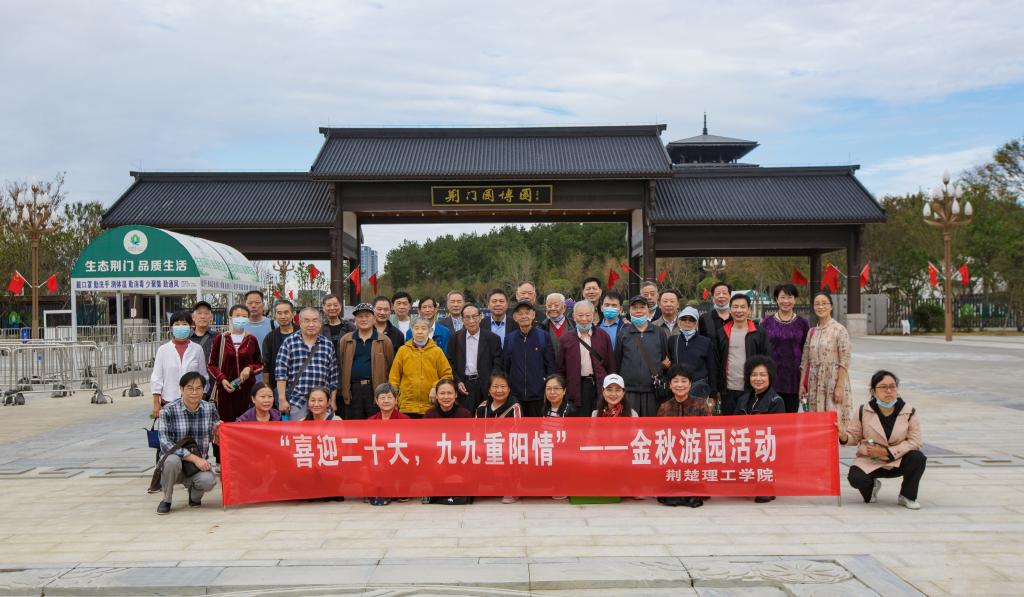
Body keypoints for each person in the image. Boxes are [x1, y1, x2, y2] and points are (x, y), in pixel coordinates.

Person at [839, 370, 925, 510]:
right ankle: (872, 486)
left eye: (892, 386)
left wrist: (887, 452)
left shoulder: (909, 411)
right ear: (873, 391)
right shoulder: (863, 410)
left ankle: (907, 495)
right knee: (855, 478)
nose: (889, 391)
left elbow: (915, 441)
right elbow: (854, 436)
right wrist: (843, 436)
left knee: (918, 458)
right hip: (871, 459)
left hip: (897, 460)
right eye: (883, 387)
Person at [155, 371, 220, 515]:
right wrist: (193, 458)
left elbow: (217, 433)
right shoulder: (167, 411)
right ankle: (166, 500)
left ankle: (194, 496)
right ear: (181, 389)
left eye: (198, 388)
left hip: (197, 467)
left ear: (203, 390)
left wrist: (220, 430)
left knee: (209, 480)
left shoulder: (210, 408)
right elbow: (164, 442)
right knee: (171, 461)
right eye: (190, 388)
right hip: (177, 463)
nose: (194, 392)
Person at [656, 366, 712, 508]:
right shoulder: (664, 407)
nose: (679, 385)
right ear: (670, 385)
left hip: (695, 458)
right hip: (672, 459)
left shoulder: (701, 405)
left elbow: (708, 435)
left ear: (690, 383)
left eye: (684, 381)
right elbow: (659, 438)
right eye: (675, 381)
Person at [208, 304, 264, 436]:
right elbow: (211, 364)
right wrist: (222, 379)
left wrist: (249, 369)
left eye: (244, 316)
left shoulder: (251, 339)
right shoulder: (221, 339)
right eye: (237, 316)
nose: (241, 319)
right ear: (231, 317)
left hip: (247, 392)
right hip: (225, 392)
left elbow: (260, 364)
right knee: (226, 428)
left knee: (246, 429)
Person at [275, 307, 338, 422]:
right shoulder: (289, 342)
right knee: (298, 432)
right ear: (300, 322)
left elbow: (333, 376)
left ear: (320, 323)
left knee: (323, 432)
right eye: (307, 320)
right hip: (297, 401)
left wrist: (332, 401)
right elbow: (281, 374)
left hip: (321, 402)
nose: (311, 324)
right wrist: (282, 399)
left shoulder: (327, 345)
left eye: (315, 320)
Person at [800, 291, 852, 427]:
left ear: (831, 306)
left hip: (833, 381)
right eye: (817, 304)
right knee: (815, 423)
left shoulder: (840, 330)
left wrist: (839, 386)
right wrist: (801, 384)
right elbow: (805, 360)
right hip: (814, 383)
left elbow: (845, 360)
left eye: (824, 303)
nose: (820, 307)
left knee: (833, 421)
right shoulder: (811, 332)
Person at [615, 295, 670, 417]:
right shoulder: (623, 333)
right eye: (635, 308)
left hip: (653, 391)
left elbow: (665, 359)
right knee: (630, 425)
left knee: (651, 425)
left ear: (648, 310)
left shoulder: (659, 332)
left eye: (642, 307)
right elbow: (617, 361)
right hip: (629, 391)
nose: (638, 311)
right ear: (629, 310)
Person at [715, 294, 770, 416]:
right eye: (735, 307)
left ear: (749, 310)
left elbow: (766, 360)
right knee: (729, 423)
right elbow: (716, 361)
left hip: (752, 388)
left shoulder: (759, 332)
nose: (739, 310)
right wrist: (717, 389)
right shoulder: (722, 332)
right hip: (728, 390)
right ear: (730, 310)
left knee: (750, 424)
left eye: (742, 307)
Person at [338, 303, 395, 420]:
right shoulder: (346, 340)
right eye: (360, 316)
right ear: (355, 319)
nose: (363, 319)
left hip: (375, 390)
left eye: (367, 316)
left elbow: (390, 365)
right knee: (354, 424)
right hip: (353, 389)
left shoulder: (384, 340)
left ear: (374, 319)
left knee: (375, 424)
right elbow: (342, 364)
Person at [558, 300, 615, 417]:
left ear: (593, 315)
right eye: (580, 315)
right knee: (579, 421)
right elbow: (560, 368)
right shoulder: (566, 338)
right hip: (576, 387)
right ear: (574, 316)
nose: (584, 319)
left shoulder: (603, 336)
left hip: (598, 385)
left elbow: (611, 365)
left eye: (588, 315)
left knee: (599, 418)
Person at [389, 317, 454, 418]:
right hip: (407, 405)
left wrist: (435, 387)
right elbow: (394, 378)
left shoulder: (437, 351)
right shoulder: (403, 351)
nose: (420, 332)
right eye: (416, 328)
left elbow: (447, 375)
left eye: (423, 328)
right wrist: (394, 399)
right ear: (411, 330)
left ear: (429, 331)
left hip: (430, 405)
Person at [761, 284, 810, 413]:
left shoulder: (803, 323)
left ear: (795, 300)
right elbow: (762, 351)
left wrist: (804, 381)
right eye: (782, 297)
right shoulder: (766, 323)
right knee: (771, 416)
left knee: (790, 416)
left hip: (794, 379)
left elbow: (806, 353)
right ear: (776, 299)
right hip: (772, 378)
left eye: (790, 297)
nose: (786, 301)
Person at [503, 299, 557, 417]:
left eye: (527, 313)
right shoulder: (509, 339)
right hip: (516, 396)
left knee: (537, 426)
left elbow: (550, 366)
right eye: (520, 314)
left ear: (533, 315)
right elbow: (506, 367)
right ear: (515, 318)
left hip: (538, 395)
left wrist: (548, 387)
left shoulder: (543, 336)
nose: (524, 316)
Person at [151, 310, 208, 419]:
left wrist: (202, 398)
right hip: (169, 402)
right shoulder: (163, 350)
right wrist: (156, 403)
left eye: (184, 324)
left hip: (193, 402)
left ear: (190, 327)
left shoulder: (197, 349)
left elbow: (203, 376)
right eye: (177, 324)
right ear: (171, 328)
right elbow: (157, 377)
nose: (181, 327)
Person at [448, 304, 503, 413]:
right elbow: (450, 363)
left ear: (480, 317)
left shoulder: (493, 338)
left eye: (474, 316)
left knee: (485, 418)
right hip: (464, 385)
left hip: (485, 386)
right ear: (462, 320)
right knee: (465, 418)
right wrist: (457, 381)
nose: (471, 321)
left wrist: (491, 384)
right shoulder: (455, 338)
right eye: (467, 317)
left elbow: (498, 364)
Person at [366, 383, 409, 506]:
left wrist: (386, 455)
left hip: (398, 458)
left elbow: (410, 446)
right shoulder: (370, 421)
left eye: (390, 397)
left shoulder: (405, 420)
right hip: (377, 459)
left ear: (396, 400)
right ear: (376, 401)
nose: (386, 401)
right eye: (382, 398)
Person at [668, 306, 718, 398]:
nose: (687, 322)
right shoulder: (672, 340)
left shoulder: (705, 342)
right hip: (678, 388)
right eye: (684, 319)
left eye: (691, 319)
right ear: (679, 321)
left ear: (696, 323)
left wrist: (713, 394)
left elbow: (712, 368)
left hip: (699, 389)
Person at [262, 300, 297, 407]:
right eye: (279, 313)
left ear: (293, 314)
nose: (283, 316)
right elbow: (265, 365)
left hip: (301, 386)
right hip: (277, 387)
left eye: (286, 312)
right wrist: (267, 387)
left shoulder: (302, 333)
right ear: (275, 315)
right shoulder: (270, 338)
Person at [540, 292, 569, 367]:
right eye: (549, 306)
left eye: (556, 306)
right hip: (550, 369)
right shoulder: (540, 327)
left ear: (564, 307)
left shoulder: (574, 325)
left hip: (570, 368)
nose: (552, 308)